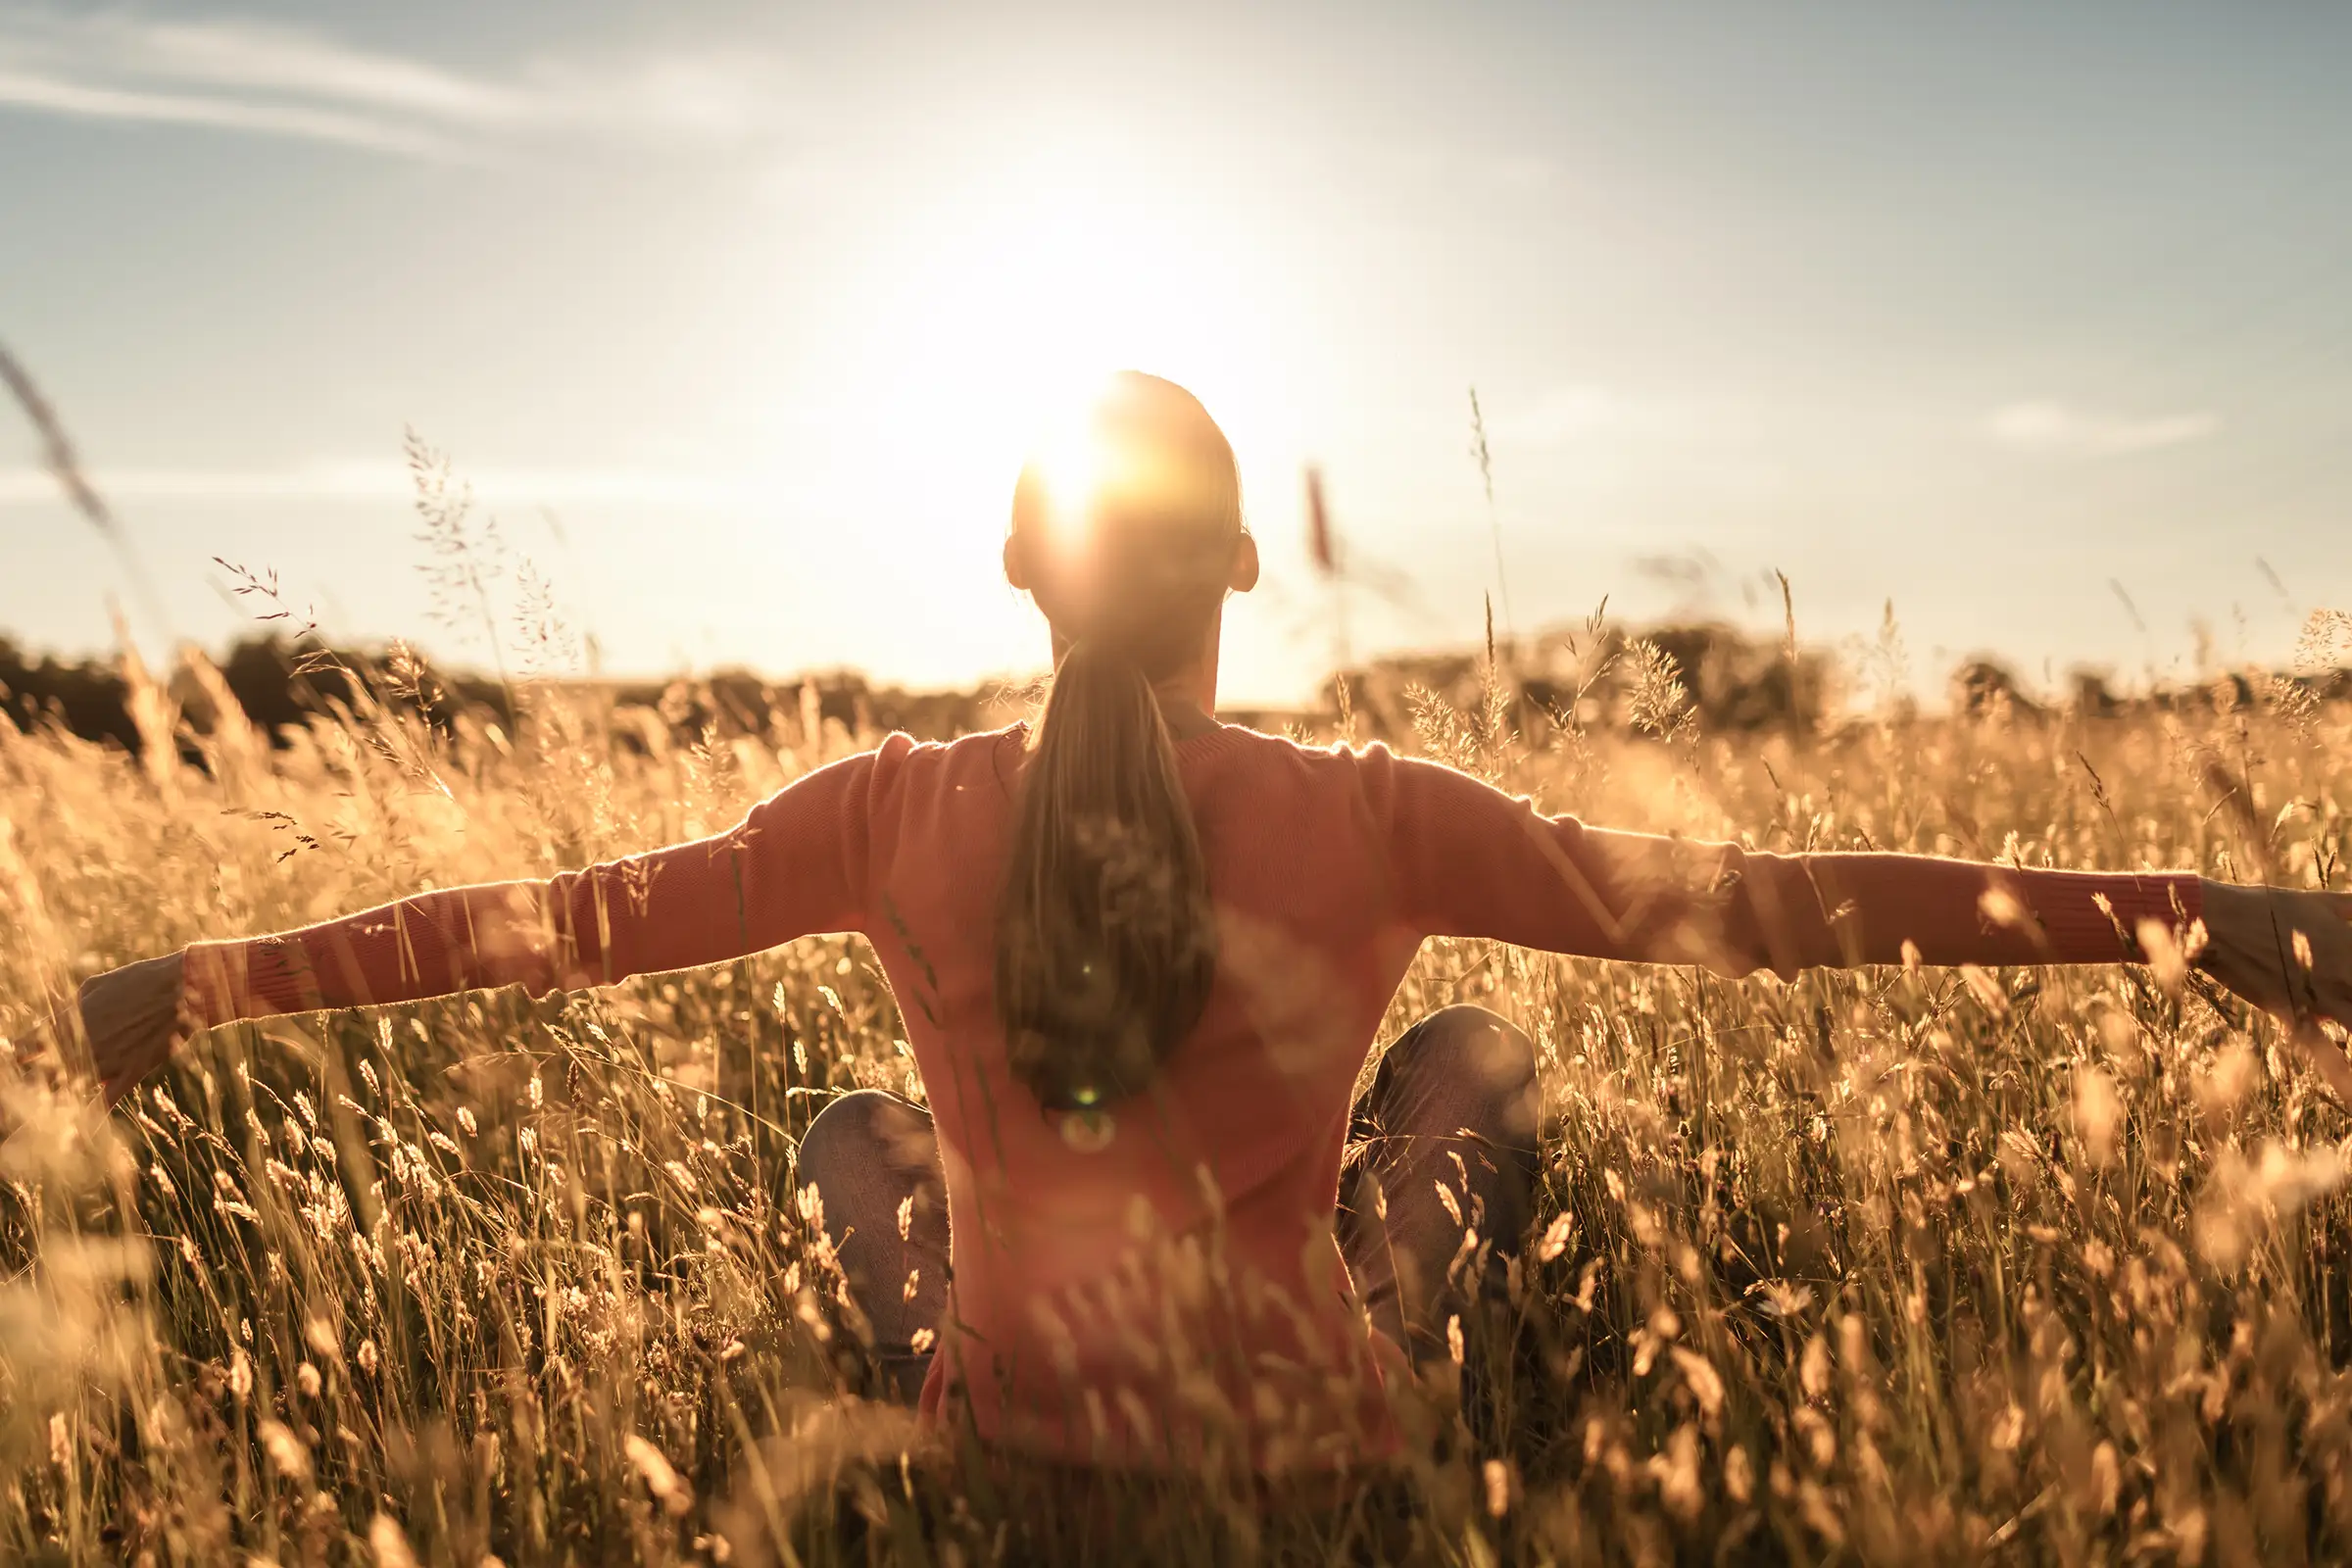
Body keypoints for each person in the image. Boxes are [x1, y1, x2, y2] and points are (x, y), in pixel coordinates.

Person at [54, 372, 2352, 1474]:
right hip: (1305, 1437)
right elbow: (1770, 909)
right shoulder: (1365, 812)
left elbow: (544, 924)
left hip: (1006, 1426)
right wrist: (2204, 915)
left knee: (857, 1129)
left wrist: (178, 985)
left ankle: (924, 1384)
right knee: (1476, 1074)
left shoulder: (888, 813)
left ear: (1019, 573)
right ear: (1241, 571)